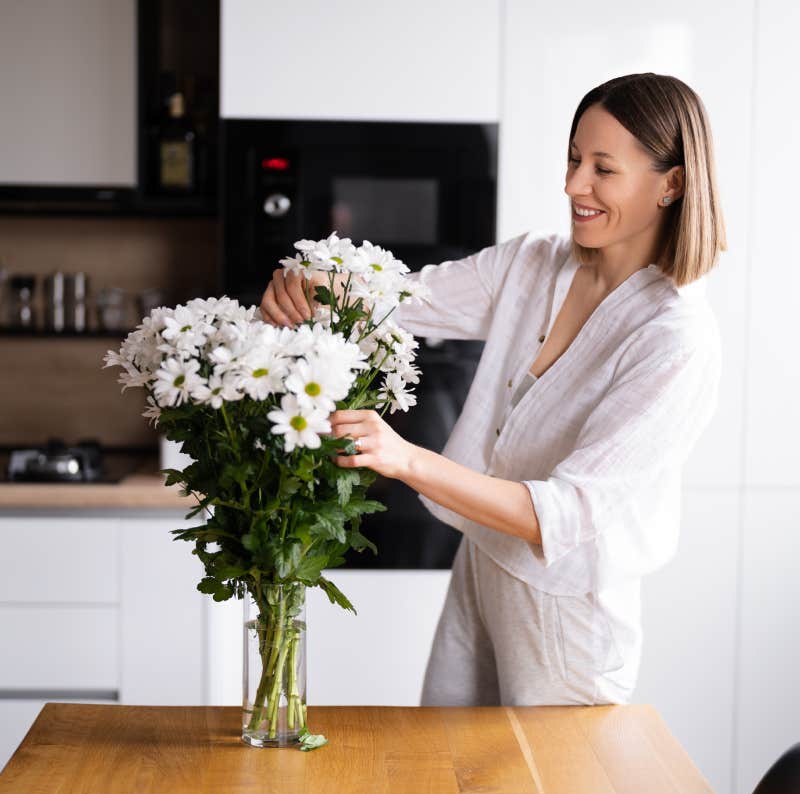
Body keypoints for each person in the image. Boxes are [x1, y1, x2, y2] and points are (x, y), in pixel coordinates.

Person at [259, 72, 726, 707]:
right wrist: (308, 283)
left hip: (567, 611)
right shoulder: (536, 263)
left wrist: (406, 459)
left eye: (602, 169)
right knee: (451, 768)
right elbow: (399, 300)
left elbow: (564, 516)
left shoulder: (674, 338)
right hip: (482, 564)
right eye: (572, 159)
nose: (572, 186)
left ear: (671, 183)